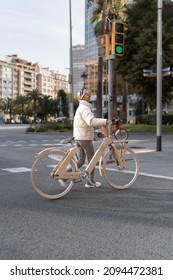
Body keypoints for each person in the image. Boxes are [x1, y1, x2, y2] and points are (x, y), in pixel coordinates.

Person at [73, 87, 111, 188]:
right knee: (92, 160)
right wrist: (105, 121)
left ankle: (63, 176)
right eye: (87, 94)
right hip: (84, 139)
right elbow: (91, 121)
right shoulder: (85, 108)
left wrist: (96, 130)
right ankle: (90, 182)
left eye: (89, 94)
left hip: (78, 137)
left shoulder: (81, 108)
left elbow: (85, 124)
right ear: (82, 97)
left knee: (81, 160)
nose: (89, 95)